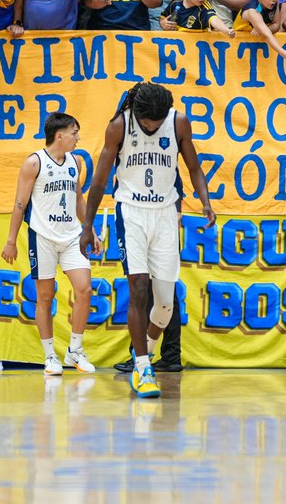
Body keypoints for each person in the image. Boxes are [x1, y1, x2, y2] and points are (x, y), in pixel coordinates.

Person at [82, 83, 215, 398]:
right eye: (147, 123)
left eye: (157, 122)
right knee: (138, 288)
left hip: (166, 213)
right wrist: (87, 225)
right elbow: (99, 179)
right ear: (137, 114)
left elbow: (193, 166)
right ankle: (142, 367)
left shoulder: (178, 121)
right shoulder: (119, 126)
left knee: (166, 305)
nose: (152, 127)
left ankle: (146, 354)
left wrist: (205, 200)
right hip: (131, 212)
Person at [1, 112, 98, 375]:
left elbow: (78, 199)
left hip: (71, 237)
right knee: (45, 297)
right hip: (42, 237)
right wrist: (11, 241)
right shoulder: (34, 163)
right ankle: (50, 356)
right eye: (74, 132)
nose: (78, 138)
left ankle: (74, 351)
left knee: (85, 289)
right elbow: (20, 204)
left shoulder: (75, 162)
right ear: (60, 135)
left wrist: (90, 230)